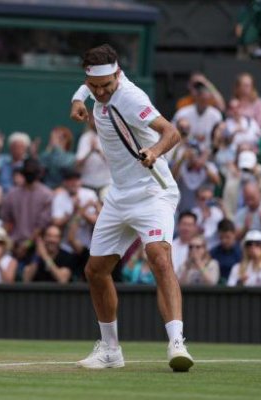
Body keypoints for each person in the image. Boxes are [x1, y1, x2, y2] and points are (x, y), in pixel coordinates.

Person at [69, 44, 193, 371]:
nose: (101, 92)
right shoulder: (94, 87)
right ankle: (110, 351)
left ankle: (177, 344)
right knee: (95, 271)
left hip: (153, 192)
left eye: (106, 86)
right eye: (95, 86)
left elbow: (172, 132)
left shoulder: (132, 98)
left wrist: (153, 151)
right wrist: (79, 100)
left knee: (159, 256)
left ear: (118, 75)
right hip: (118, 195)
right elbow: (87, 86)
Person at [0, 158, 53, 242]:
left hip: (35, 245)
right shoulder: (12, 194)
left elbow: (41, 226)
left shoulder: (46, 195)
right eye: (28, 172)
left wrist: (27, 244)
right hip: (13, 242)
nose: (30, 175)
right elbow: (6, 220)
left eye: (32, 172)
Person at [172, 81, 223, 150]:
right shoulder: (182, 113)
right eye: (202, 99)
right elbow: (172, 133)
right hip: (185, 151)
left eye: (207, 99)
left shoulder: (216, 115)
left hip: (208, 153)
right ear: (196, 97)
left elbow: (218, 141)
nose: (204, 102)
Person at [75, 114, 111, 192]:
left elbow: (113, 162)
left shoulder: (109, 137)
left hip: (106, 183)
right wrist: (90, 151)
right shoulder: (84, 138)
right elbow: (78, 163)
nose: (95, 122)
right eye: (93, 119)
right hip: (87, 183)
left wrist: (98, 150)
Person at [210, 219, 242, 284]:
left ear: (234, 234)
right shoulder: (213, 252)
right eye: (221, 237)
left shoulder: (242, 252)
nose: (224, 241)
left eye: (227, 237)